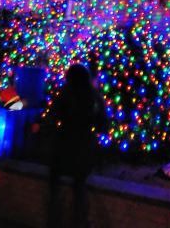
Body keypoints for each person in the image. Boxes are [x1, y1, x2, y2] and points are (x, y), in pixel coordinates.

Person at [46, 63, 106, 228]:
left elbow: (52, 116)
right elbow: (102, 122)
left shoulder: (65, 94)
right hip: (84, 147)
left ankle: (54, 219)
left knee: (55, 184)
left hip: (65, 145)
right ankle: (80, 222)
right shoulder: (93, 96)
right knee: (79, 187)